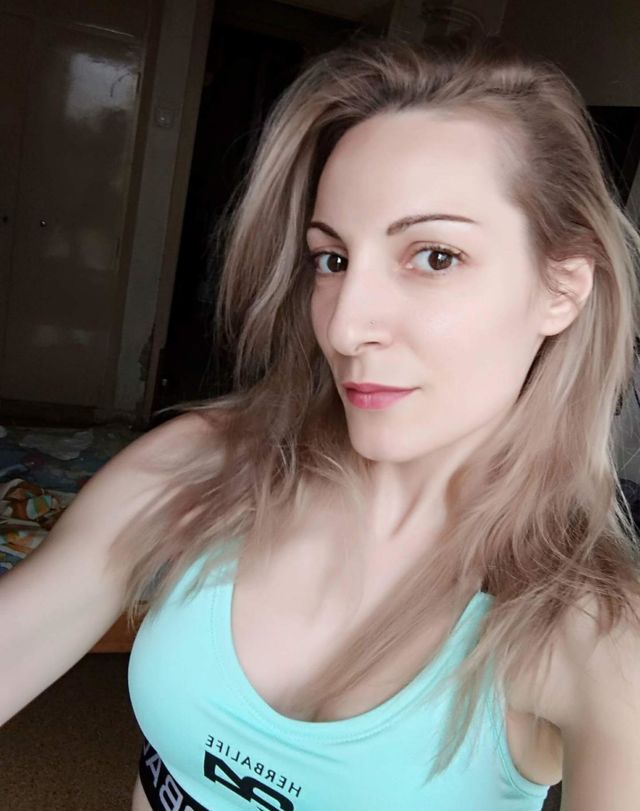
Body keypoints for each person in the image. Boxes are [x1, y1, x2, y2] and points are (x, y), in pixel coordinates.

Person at [3, 33, 640, 811]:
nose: (344, 326)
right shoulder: (196, 467)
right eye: (332, 259)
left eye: (434, 256)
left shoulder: (594, 636)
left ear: (561, 289)